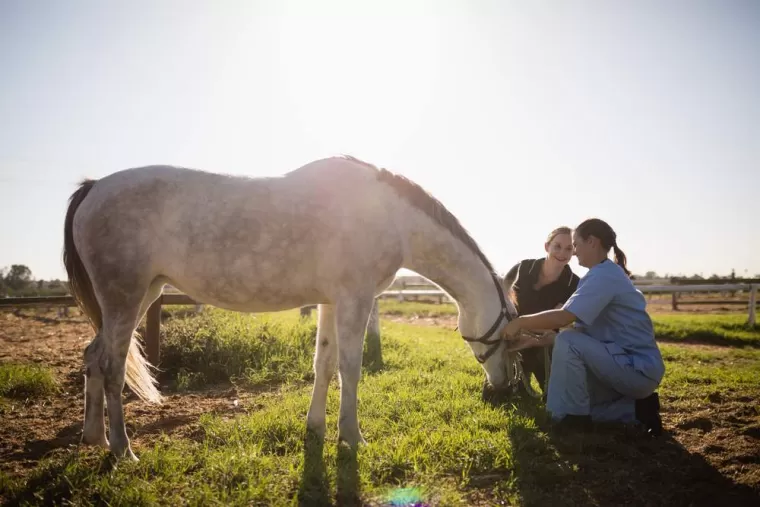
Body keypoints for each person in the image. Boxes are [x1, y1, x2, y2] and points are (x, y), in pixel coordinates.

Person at [501, 218, 665, 436]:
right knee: (583, 402)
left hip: (636, 368)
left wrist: (520, 322)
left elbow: (563, 319)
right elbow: (576, 330)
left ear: (592, 242)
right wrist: (535, 340)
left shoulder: (603, 276)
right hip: (625, 365)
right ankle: (638, 410)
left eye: (575, 245)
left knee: (568, 352)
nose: (574, 252)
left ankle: (568, 421)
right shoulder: (599, 275)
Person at [502, 226, 580, 396]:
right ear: (547, 247)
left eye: (569, 248)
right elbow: (504, 300)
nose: (562, 253)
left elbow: (556, 323)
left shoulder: (573, 283)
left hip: (543, 343)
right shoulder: (523, 268)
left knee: (554, 397)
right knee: (500, 394)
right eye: (557, 246)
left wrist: (529, 334)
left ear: (574, 252)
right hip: (511, 336)